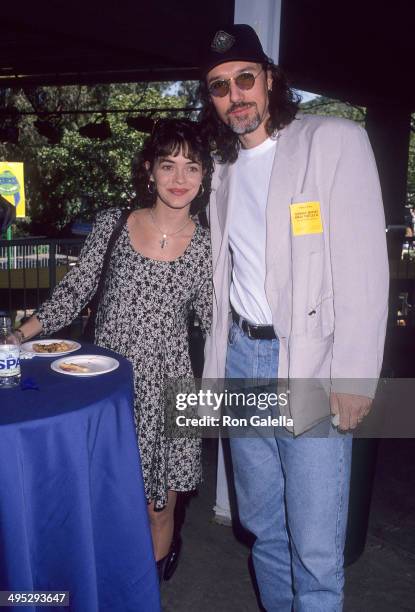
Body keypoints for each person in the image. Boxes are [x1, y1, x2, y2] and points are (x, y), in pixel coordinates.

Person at [199, 25, 389, 611]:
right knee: (262, 524)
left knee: (315, 541)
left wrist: (356, 376)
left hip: (308, 360)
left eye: (245, 79)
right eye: (220, 86)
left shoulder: (333, 141)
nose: (236, 95)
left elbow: (363, 266)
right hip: (241, 359)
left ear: (270, 80)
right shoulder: (223, 169)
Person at [16, 118, 213, 581]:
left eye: (192, 168)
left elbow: (215, 320)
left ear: (205, 177)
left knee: (157, 507)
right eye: (169, 166)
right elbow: (73, 293)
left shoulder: (208, 245)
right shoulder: (113, 225)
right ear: (149, 170)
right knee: (97, 499)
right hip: (105, 387)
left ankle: (143, 588)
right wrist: (19, 334)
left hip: (168, 390)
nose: (180, 179)